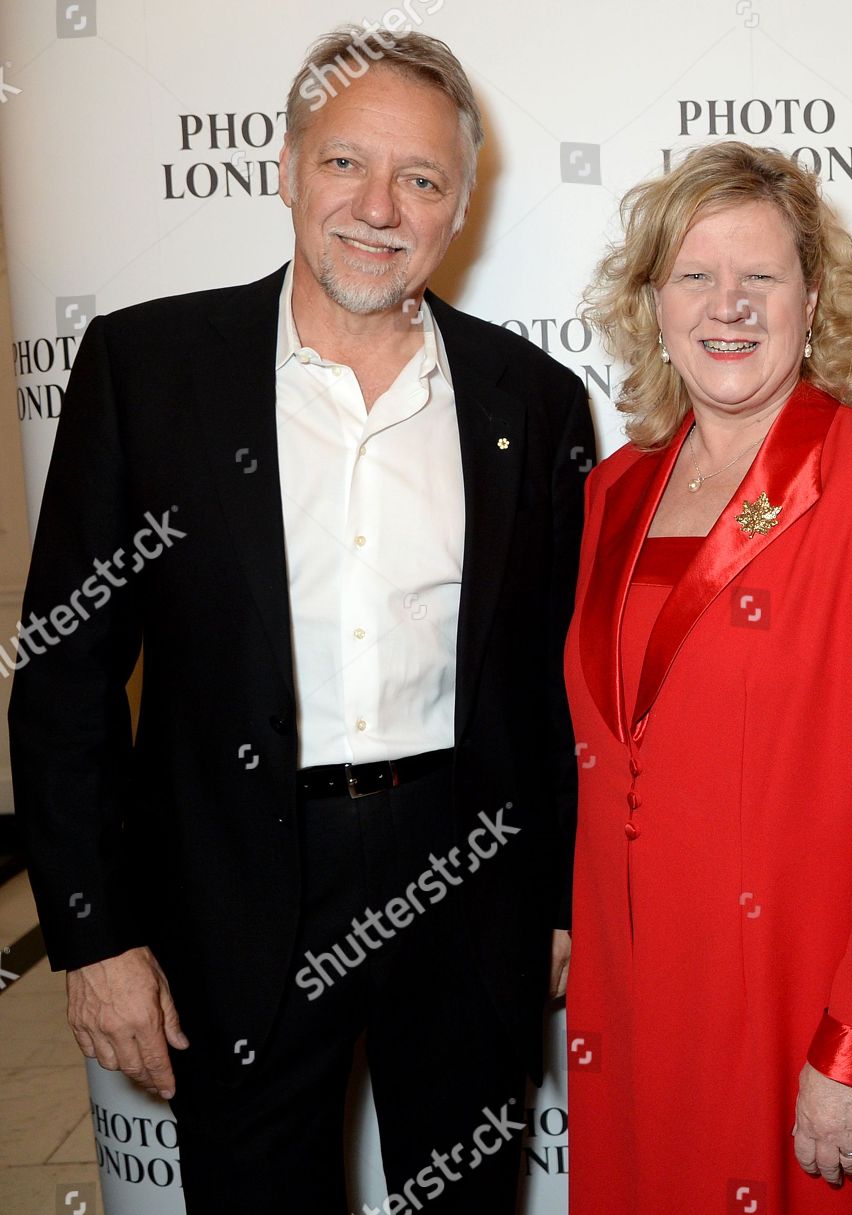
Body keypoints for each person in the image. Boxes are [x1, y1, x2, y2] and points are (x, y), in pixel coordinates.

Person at [8, 27, 594, 1212]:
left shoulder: (529, 398)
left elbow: (553, 677)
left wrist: (564, 900)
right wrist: (91, 935)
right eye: (346, 164)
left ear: (460, 207)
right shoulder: (148, 368)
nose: (379, 207)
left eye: (421, 180)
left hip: (467, 876)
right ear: (285, 167)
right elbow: (68, 673)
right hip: (231, 890)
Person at [565, 141, 852, 1213]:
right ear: (651, 303)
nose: (730, 305)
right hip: (634, 1008)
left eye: (761, 277)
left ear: (814, 301)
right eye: (695, 276)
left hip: (798, 1003)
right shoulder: (615, 490)